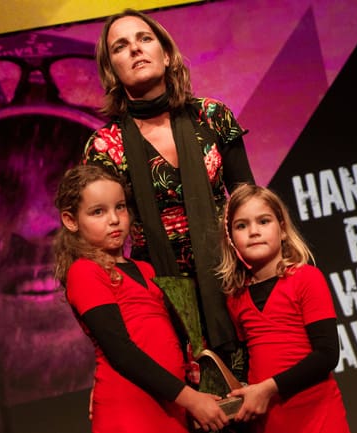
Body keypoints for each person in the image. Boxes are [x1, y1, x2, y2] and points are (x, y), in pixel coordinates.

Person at [81, 8, 255, 383]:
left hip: (234, 280)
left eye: (145, 39)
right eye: (121, 47)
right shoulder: (104, 148)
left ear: (167, 53)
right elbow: (99, 245)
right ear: (111, 70)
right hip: (159, 298)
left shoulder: (212, 117)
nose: (136, 50)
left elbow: (251, 205)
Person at [53, 164, 231, 433]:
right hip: (129, 408)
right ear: (71, 220)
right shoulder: (85, 272)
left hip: (169, 404)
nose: (114, 219)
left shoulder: (145, 270)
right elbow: (121, 351)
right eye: (98, 212)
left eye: (120, 207)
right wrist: (191, 399)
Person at [216, 184, 351, 433]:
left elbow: (327, 354)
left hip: (318, 415)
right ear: (231, 238)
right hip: (269, 420)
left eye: (263, 221)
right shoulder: (235, 297)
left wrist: (268, 388)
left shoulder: (306, 278)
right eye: (241, 225)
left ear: (283, 229)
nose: (253, 231)